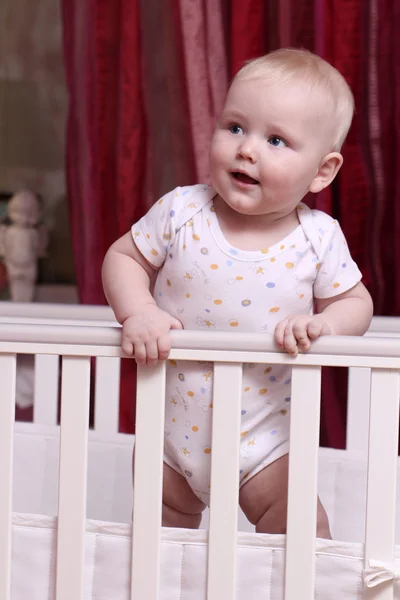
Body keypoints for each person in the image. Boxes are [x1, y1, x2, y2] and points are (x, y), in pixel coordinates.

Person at [102, 48, 373, 537]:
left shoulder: (318, 237)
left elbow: (356, 302)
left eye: (276, 139)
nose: (247, 149)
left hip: (266, 441)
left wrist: (324, 325)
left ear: (322, 172)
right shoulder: (182, 210)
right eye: (234, 127)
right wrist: (138, 311)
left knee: (300, 534)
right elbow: (123, 258)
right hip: (170, 435)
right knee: (157, 545)